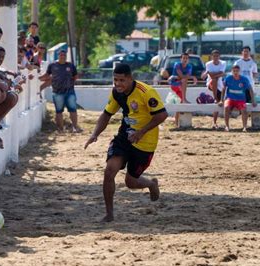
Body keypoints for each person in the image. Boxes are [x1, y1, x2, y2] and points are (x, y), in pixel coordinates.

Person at [84, 63, 167, 222]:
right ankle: (109, 214)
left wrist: (141, 132)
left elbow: (162, 115)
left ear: (130, 78)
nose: (118, 84)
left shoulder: (146, 92)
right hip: (124, 138)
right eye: (115, 80)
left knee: (130, 182)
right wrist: (94, 134)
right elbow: (106, 114)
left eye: (122, 80)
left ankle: (151, 184)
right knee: (109, 172)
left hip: (145, 142)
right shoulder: (117, 92)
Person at [39, 49, 82, 133]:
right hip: (57, 92)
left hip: (70, 91)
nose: (62, 56)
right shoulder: (52, 66)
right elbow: (47, 75)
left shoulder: (71, 66)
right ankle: (60, 129)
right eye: (61, 55)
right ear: (58, 56)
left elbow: (75, 76)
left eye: (64, 55)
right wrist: (38, 78)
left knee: (73, 109)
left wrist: (72, 81)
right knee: (59, 111)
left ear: (66, 56)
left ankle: (75, 127)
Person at [219, 64, 256, 132]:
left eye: (237, 71)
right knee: (226, 108)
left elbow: (250, 89)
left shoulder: (244, 79)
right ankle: (227, 126)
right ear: (232, 71)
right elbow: (223, 89)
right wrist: (221, 100)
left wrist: (253, 100)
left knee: (244, 110)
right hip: (230, 98)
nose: (235, 72)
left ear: (240, 72)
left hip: (240, 99)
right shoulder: (228, 78)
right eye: (234, 71)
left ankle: (244, 127)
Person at [169, 52, 197, 127]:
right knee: (184, 80)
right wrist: (192, 77)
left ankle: (176, 122)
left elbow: (184, 76)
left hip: (181, 85)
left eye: (186, 58)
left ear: (188, 59)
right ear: (181, 59)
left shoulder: (189, 66)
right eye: (183, 58)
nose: (185, 59)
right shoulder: (177, 64)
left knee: (180, 103)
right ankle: (184, 99)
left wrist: (184, 77)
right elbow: (182, 75)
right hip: (174, 84)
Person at [204, 50, 226, 129]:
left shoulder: (223, 63)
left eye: (217, 56)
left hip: (219, 85)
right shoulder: (208, 64)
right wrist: (220, 74)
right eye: (214, 56)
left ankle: (214, 122)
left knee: (217, 104)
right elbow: (212, 76)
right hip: (210, 84)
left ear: (219, 57)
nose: (216, 58)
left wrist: (218, 74)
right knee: (214, 80)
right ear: (212, 57)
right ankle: (215, 98)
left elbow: (220, 73)